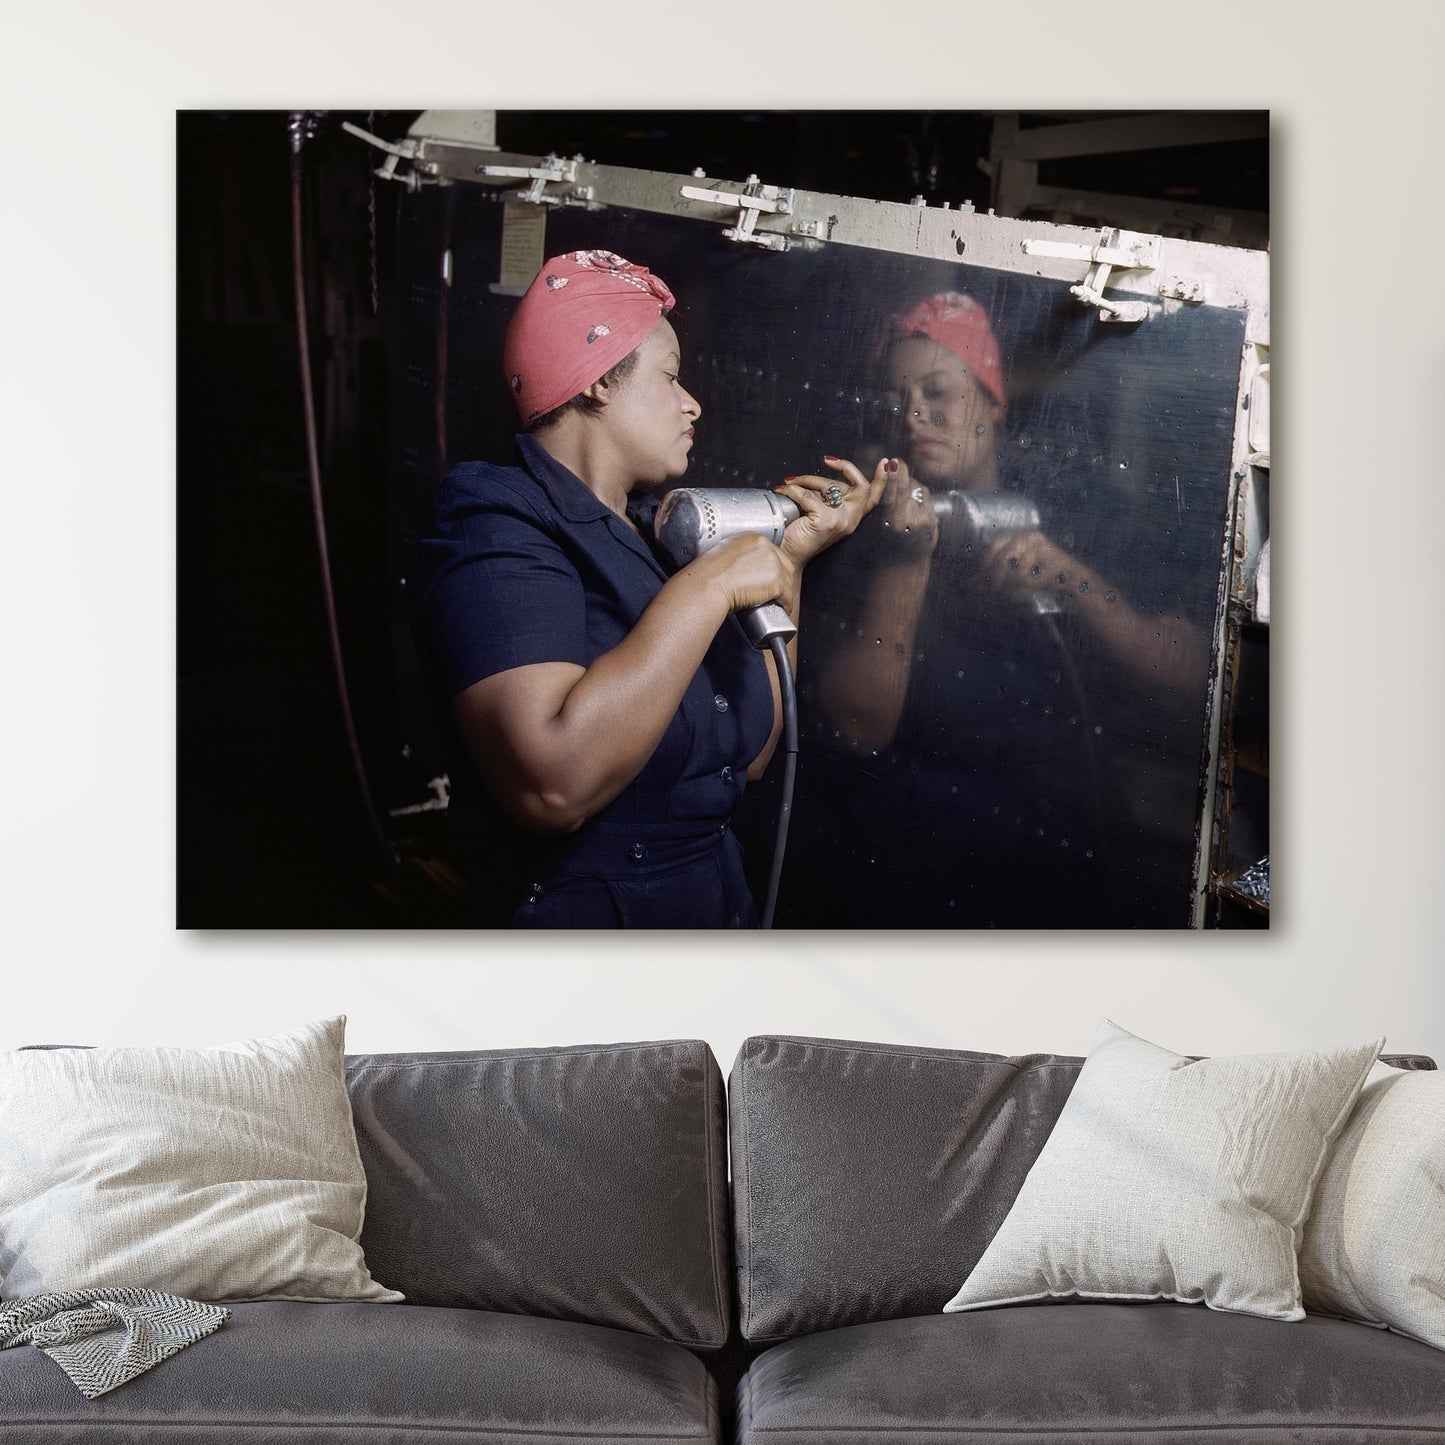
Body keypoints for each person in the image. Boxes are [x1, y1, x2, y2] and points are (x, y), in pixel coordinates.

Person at [412, 249, 883, 927]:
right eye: (669, 376)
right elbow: (549, 787)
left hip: (712, 915)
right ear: (601, 380)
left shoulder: (650, 538)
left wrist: (791, 565)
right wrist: (709, 585)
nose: (692, 402)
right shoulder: (493, 521)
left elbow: (745, 758)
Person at [805, 292, 1208, 926]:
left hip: (1059, 862)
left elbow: (1193, 682)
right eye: (895, 398)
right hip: (909, 867)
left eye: (939, 393)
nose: (914, 414)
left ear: (994, 401)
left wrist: (1077, 584)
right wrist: (906, 561)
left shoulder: (1078, 508)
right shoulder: (860, 535)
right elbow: (856, 726)